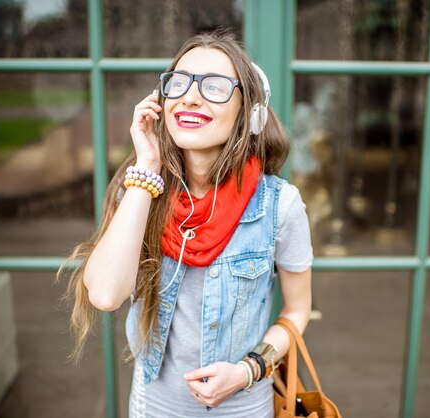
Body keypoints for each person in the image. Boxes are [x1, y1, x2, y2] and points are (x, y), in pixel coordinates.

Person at [59, 29, 313, 418]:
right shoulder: (142, 192)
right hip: (155, 407)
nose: (190, 96)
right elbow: (106, 295)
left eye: (214, 86)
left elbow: (296, 311)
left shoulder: (279, 206)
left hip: (244, 408)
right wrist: (147, 167)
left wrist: (248, 370)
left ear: (251, 113)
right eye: (179, 83)